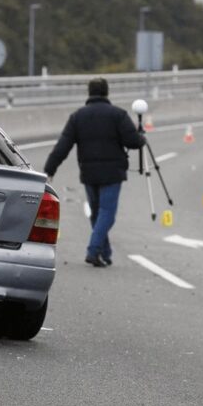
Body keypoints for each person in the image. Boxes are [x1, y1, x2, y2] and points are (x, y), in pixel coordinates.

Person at [43, 78, 145, 267]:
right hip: (112, 173)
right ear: (107, 92)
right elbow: (133, 142)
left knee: (97, 213)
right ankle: (93, 250)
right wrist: (141, 137)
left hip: (89, 173)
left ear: (89, 93)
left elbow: (63, 146)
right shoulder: (118, 115)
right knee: (107, 213)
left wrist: (50, 169)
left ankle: (104, 253)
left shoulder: (78, 117)